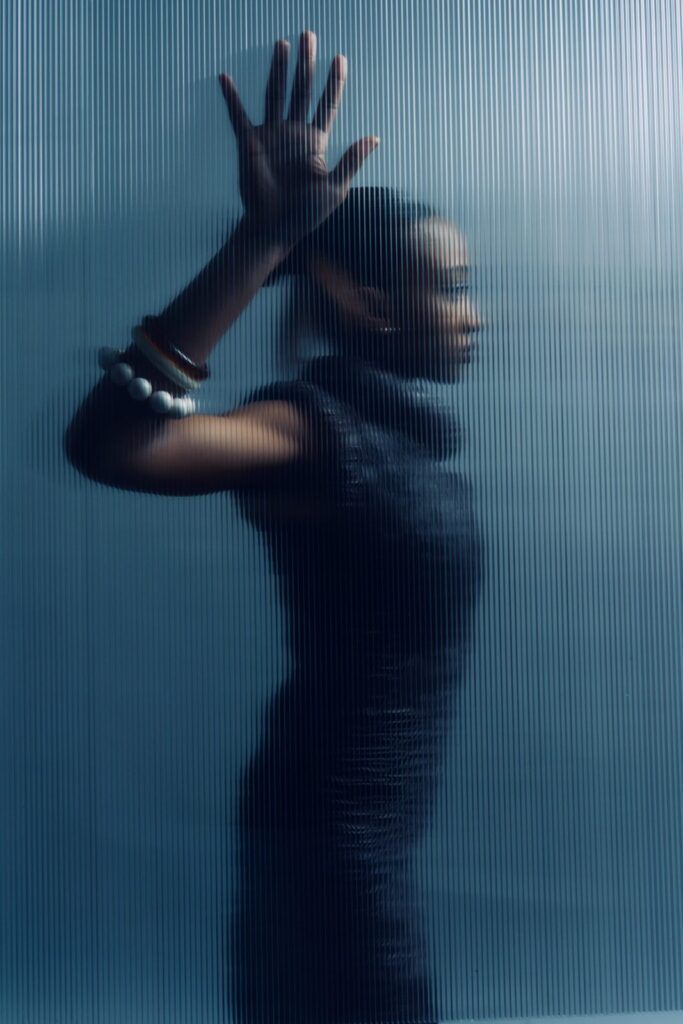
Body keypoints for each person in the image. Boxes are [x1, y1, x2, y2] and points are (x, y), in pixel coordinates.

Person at [64, 30, 482, 1024]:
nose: (474, 314)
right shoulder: (311, 429)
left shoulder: (397, 437)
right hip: (333, 842)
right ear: (372, 302)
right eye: (454, 285)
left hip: (364, 836)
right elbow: (115, 449)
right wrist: (263, 242)